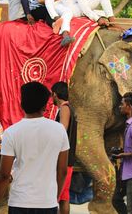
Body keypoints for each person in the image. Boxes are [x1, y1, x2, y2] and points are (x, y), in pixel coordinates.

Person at [0, 82, 69, 214]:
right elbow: (62, 171)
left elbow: (4, 175)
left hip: (19, 202)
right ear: (45, 106)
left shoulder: (12, 132)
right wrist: (54, 196)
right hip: (47, 202)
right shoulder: (59, 130)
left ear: (22, 104)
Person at [51, 81, 77, 214]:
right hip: (68, 159)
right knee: (64, 197)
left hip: (63, 160)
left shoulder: (65, 108)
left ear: (55, 94)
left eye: (52, 95)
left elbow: (62, 130)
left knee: (56, 196)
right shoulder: (69, 108)